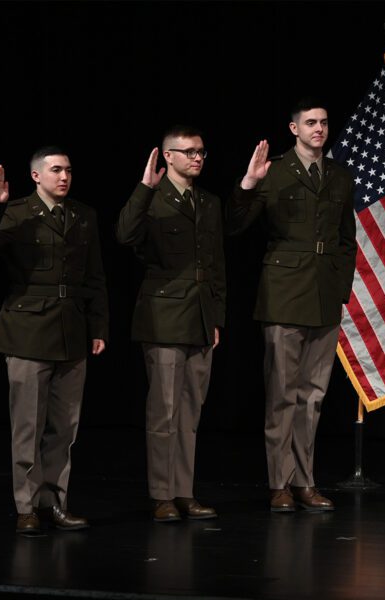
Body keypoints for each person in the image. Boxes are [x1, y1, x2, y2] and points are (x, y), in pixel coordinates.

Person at [0, 147, 108, 534]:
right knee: (27, 427)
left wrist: (98, 327)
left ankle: (55, 503)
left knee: (64, 429)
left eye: (68, 170)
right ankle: (26, 507)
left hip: (72, 333)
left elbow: (94, 275)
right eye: (56, 170)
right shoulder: (16, 212)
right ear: (36, 176)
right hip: (27, 331)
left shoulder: (83, 215)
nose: (64, 176)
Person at [227, 99, 356, 512]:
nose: (319, 129)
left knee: (313, 397)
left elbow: (346, 239)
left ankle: (305, 482)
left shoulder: (338, 175)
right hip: (284, 293)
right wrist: (249, 183)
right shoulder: (276, 171)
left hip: (323, 295)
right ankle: (279, 484)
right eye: (311, 123)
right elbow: (236, 225)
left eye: (323, 122)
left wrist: (340, 290)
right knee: (283, 394)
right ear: (294, 128)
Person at [115, 126, 225, 522]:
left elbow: (215, 265)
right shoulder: (153, 199)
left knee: (190, 413)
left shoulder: (209, 202)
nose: (197, 157)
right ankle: (162, 495)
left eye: (201, 151)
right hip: (163, 317)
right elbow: (124, 234)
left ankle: (184, 492)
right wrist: (144, 188)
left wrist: (215, 318)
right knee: (163, 411)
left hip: (199, 318)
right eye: (189, 151)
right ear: (169, 157)